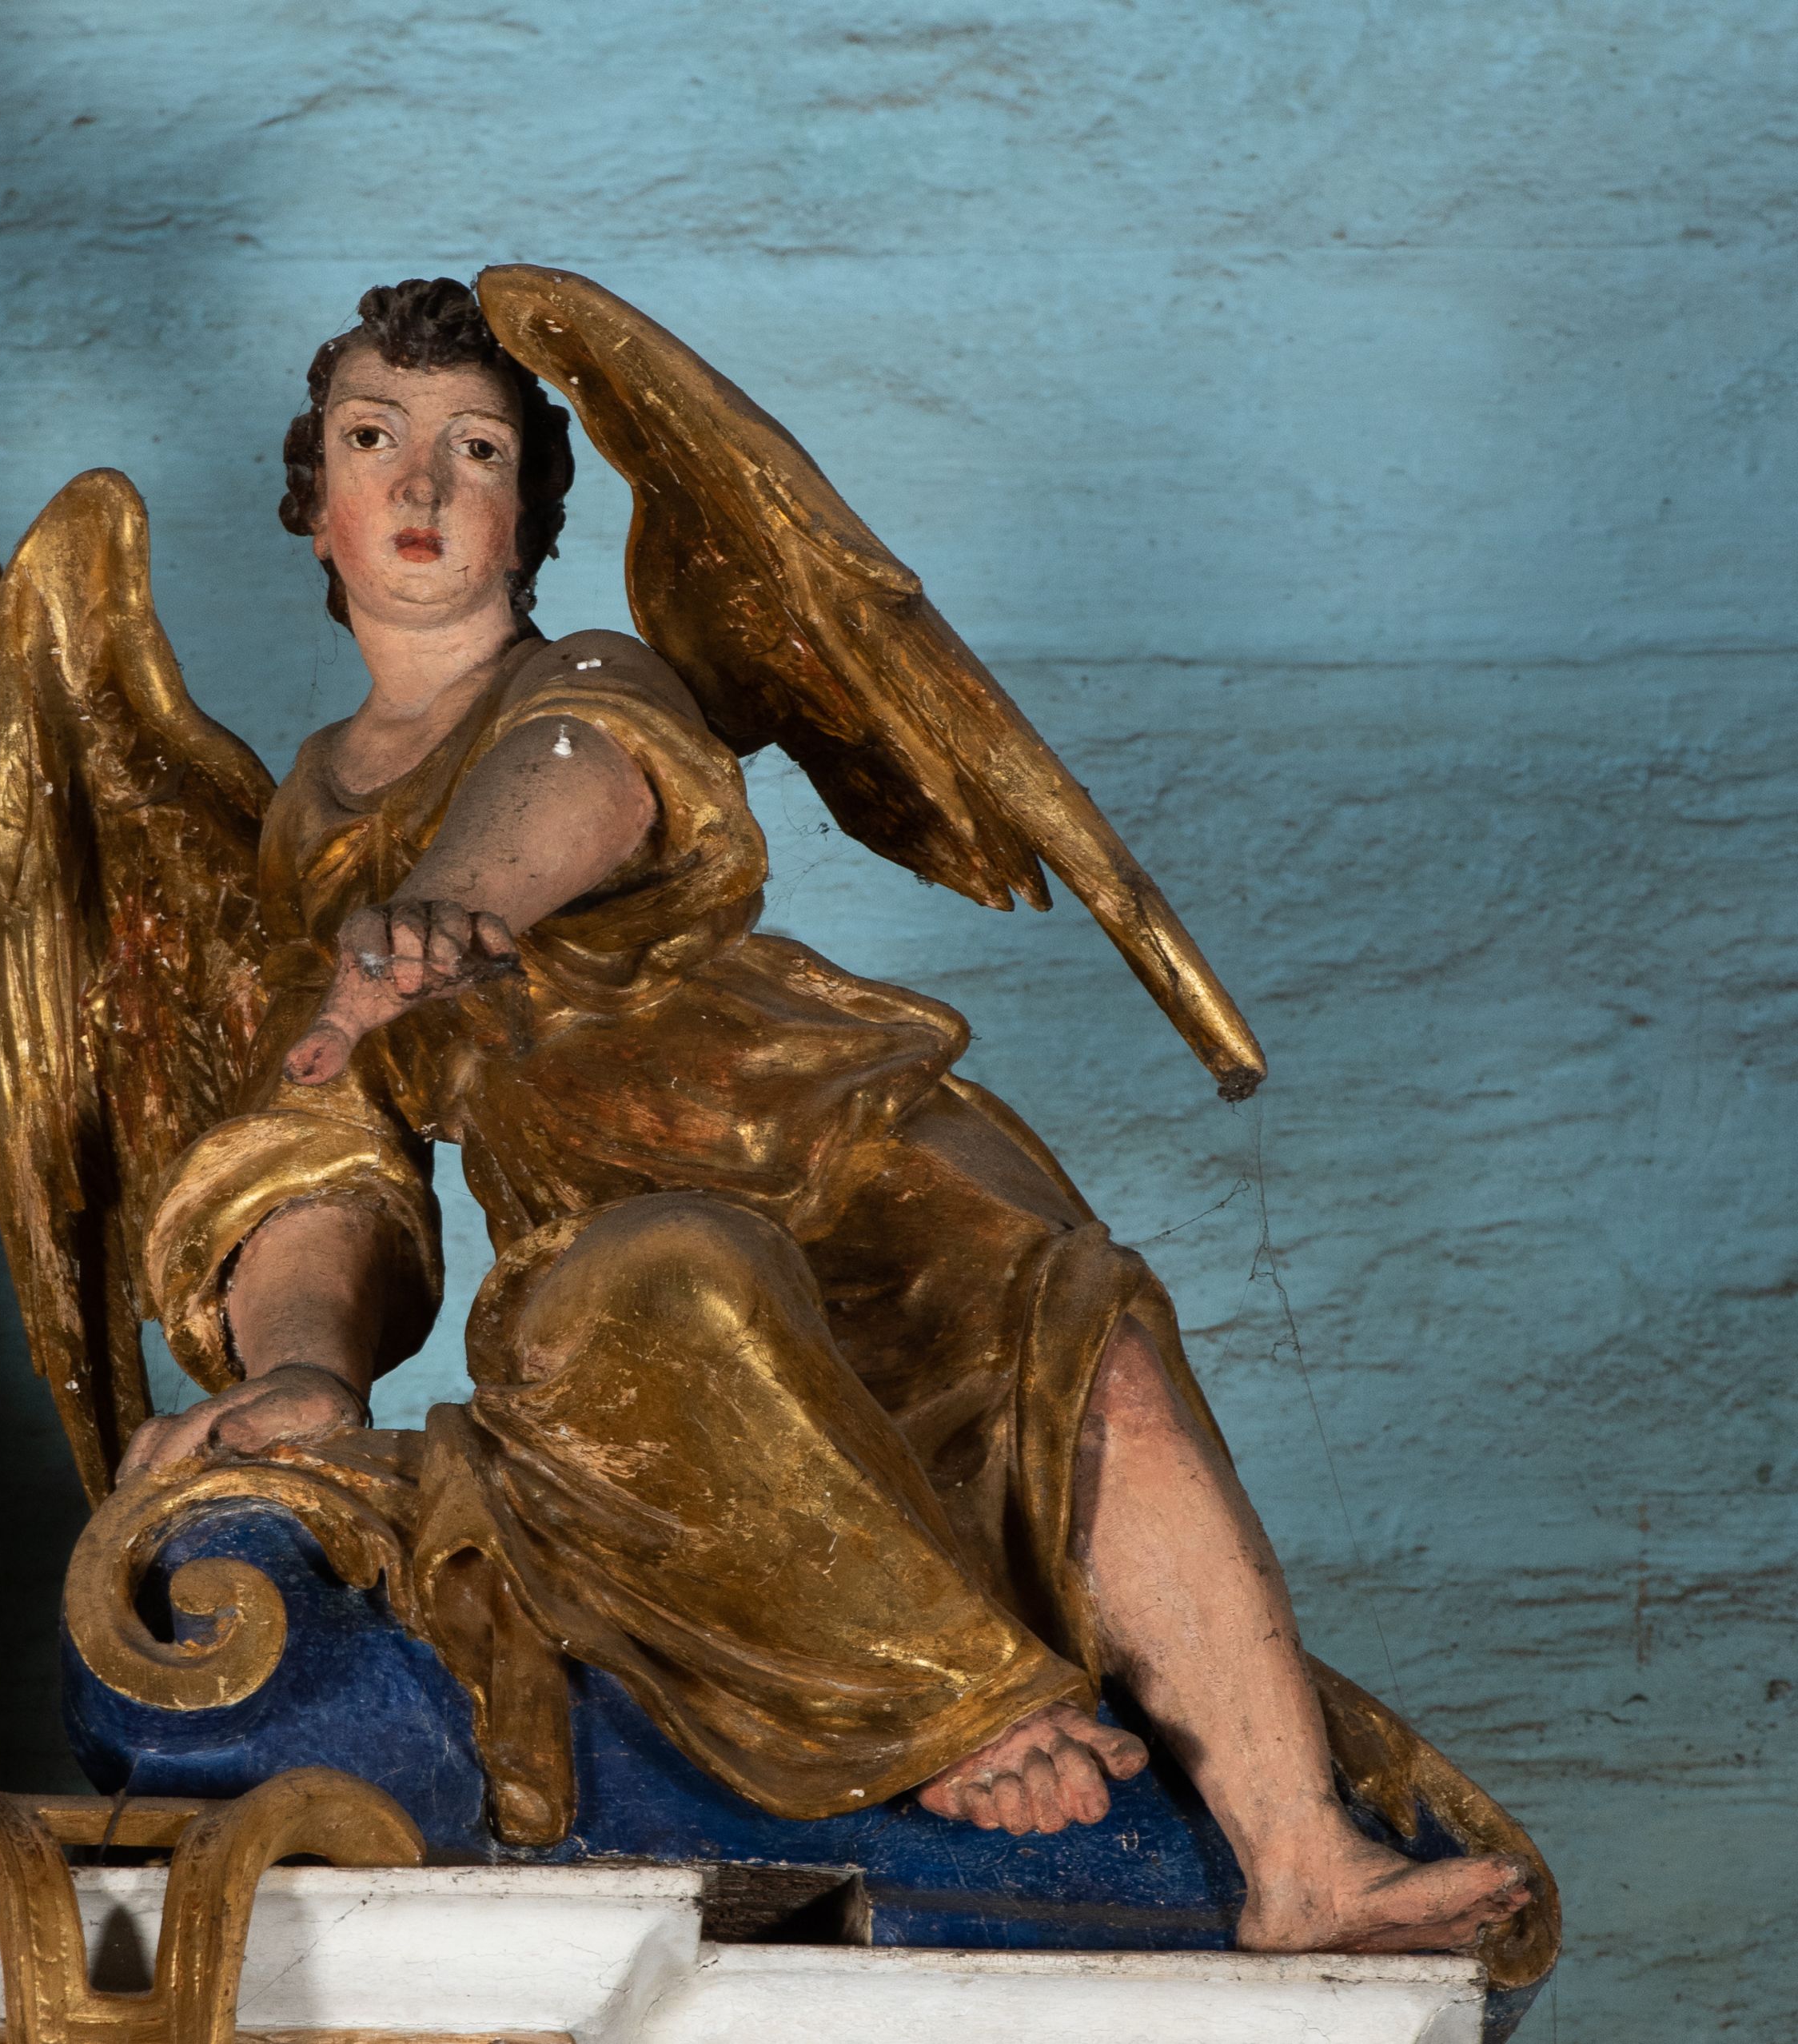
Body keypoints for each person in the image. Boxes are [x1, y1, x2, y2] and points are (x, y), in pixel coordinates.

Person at [118, 277, 1532, 1955]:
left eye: (474, 450)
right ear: (314, 501)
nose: (422, 485)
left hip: (837, 1143)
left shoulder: (593, 674)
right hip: (619, 1230)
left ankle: (1303, 1858)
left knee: (1096, 1374)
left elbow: (580, 772)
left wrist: (457, 904)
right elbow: (321, 1144)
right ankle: (958, 1703)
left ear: (530, 517)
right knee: (669, 1283)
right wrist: (305, 1367)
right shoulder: (302, 827)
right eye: (376, 440)